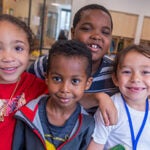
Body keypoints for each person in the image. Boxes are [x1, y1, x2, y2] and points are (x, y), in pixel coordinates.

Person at [28, 4, 118, 125]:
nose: (96, 36)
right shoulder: (47, 63)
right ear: (73, 32)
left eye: (105, 32)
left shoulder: (115, 73)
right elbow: (24, 95)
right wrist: (97, 97)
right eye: (86, 28)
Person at [13, 40, 95, 150]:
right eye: (57, 79)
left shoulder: (87, 124)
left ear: (87, 83)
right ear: (47, 78)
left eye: (75, 81)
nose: (65, 89)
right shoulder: (26, 115)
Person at [87, 44, 150, 150]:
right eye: (127, 72)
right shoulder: (110, 107)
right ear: (115, 79)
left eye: (145, 72)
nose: (135, 79)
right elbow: (95, 146)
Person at [0, 14, 48, 150]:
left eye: (18, 48)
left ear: (29, 52)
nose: (8, 58)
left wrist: (99, 97)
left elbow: (67, 96)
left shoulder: (37, 86)